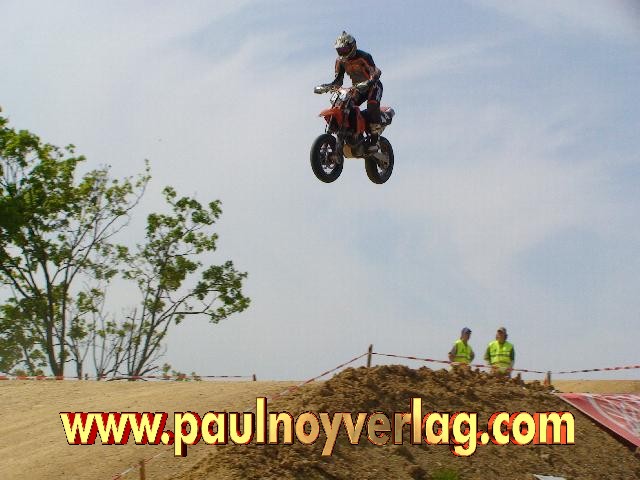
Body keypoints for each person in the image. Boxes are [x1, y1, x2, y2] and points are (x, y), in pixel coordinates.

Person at [324, 31, 383, 152]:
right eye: (340, 50)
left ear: (353, 46)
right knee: (345, 105)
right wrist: (327, 87)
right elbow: (338, 80)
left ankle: (375, 139)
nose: (343, 52)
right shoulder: (340, 61)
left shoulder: (364, 57)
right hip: (357, 88)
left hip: (373, 86)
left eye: (345, 49)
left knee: (372, 105)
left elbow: (374, 71)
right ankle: (351, 131)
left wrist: (373, 78)